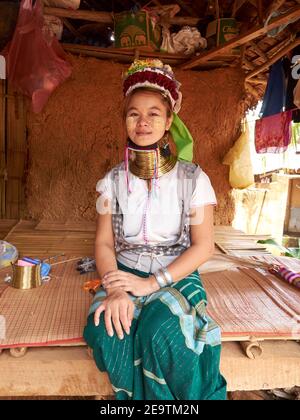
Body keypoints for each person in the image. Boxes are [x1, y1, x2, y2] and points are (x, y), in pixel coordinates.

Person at [83, 59, 227, 400]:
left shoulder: (194, 179)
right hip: (124, 271)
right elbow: (104, 243)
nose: (143, 122)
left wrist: (151, 283)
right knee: (108, 330)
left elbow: (204, 247)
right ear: (125, 122)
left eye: (153, 113)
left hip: (174, 273)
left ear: (168, 122)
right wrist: (116, 288)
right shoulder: (113, 181)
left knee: (161, 333)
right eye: (133, 114)